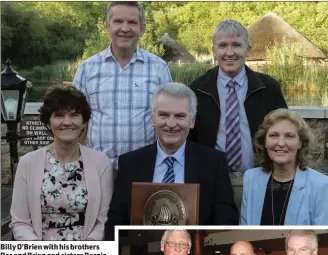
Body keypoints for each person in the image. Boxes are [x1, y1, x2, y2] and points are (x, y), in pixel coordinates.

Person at [105, 82, 239, 239]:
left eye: (180, 116)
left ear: (192, 121)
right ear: (153, 119)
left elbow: (226, 220)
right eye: (164, 115)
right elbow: (115, 222)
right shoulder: (130, 163)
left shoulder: (213, 162)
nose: (171, 124)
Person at [73, 1, 172, 172]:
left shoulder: (159, 68)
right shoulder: (87, 69)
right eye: (118, 21)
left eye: (132, 22)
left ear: (142, 28)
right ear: (108, 26)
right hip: (98, 170)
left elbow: (168, 119)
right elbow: (76, 121)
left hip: (146, 170)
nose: (125, 28)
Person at [10, 85, 113, 240]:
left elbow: (102, 220)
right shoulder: (27, 163)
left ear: (84, 121)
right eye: (59, 115)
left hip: (88, 254)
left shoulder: (101, 163)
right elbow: (20, 222)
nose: (67, 122)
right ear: (48, 122)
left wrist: (87, 252)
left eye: (74, 115)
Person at [189, 19, 287, 173]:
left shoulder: (269, 87)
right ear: (214, 51)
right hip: (210, 178)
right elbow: (189, 138)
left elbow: (285, 130)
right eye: (222, 46)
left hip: (259, 177)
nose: (229, 53)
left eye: (236, 45)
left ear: (248, 50)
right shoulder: (197, 89)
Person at [240, 108, 328, 225]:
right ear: (264, 142)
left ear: (301, 143)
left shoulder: (321, 186)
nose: (280, 143)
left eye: (289, 136)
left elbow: (324, 238)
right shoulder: (251, 179)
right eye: (273, 135)